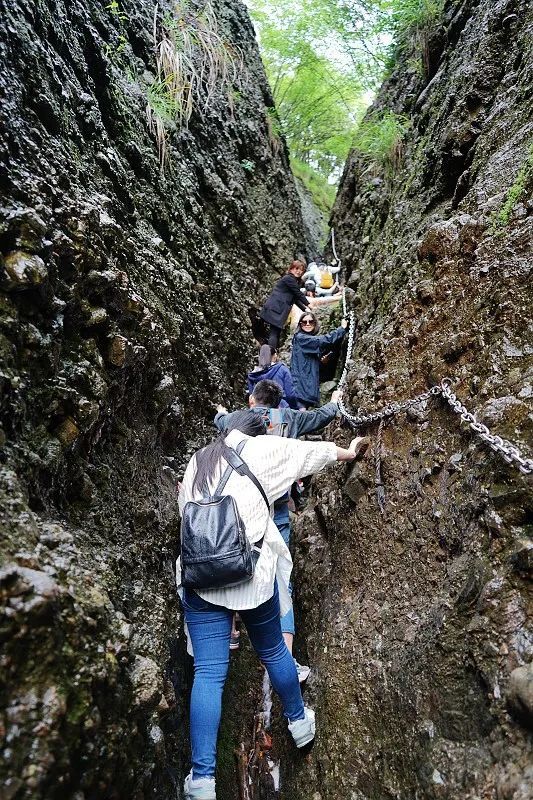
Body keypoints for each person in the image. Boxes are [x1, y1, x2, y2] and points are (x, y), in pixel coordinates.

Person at [177, 409, 369, 799]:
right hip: (252, 578)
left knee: (209, 673)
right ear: (255, 430)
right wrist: (349, 452)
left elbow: (186, 515)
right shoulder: (264, 449)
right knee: (272, 649)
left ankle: (202, 780)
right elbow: (310, 453)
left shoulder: (199, 460)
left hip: (202, 581)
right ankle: (299, 724)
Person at [214, 381, 357, 679]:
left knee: (229, 566)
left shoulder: (238, 420)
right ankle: (286, 656)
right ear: (278, 403)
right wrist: (335, 401)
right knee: (282, 579)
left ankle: (232, 632)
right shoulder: (291, 417)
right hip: (276, 509)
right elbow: (322, 417)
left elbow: (220, 422)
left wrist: (221, 412)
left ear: (253, 399)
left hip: (239, 510)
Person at [291, 312, 347, 409]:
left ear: (315, 323)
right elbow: (321, 341)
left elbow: (308, 363)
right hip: (301, 388)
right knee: (302, 416)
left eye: (310, 321)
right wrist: (341, 329)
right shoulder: (301, 338)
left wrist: (321, 362)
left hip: (306, 387)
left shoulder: (306, 340)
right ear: (300, 325)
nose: (307, 324)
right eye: (304, 322)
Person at [259, 260, 311, 348]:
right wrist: (309, 304)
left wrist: (305, 309)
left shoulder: (294, 281)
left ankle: (271, 354)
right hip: (276, 308)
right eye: (296, 268)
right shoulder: (288, 278)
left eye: (301, 270)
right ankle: (271, 356)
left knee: (275, 332)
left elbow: (294, 298)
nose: (298, 271)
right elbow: (298, 294)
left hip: (278, 309)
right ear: (291, 269)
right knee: (274, 332)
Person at [247, 344, 297, 408]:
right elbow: (290, 395)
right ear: (274, 356)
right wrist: (294, 408)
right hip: (281, 409)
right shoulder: (282, 369)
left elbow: (252, 397)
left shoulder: (253, 375)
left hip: (259, 410)